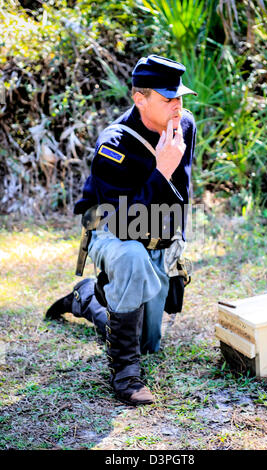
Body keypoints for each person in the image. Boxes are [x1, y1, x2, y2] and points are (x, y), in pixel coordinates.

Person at [46, 55, 197, 406]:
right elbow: (124, 223)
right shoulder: (114, 145)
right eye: (167, 98)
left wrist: (173, 249)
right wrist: (161, 170)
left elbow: (180, 195)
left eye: (179, 96)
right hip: (112, 229)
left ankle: (87, 298)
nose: (177, 105)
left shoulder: (184, 123)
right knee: (131, 257)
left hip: (154, 230)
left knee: (148, 341)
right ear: (139, 98)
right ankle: (125, 372)